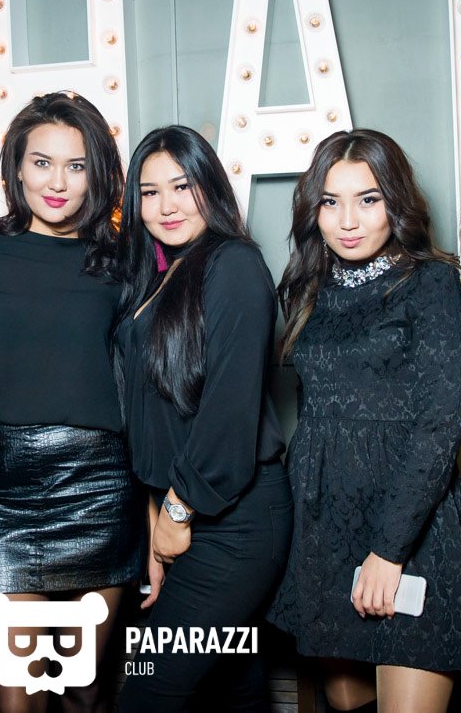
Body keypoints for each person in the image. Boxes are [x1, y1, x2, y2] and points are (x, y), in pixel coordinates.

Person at [0, 92, 142, 713]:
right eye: (42, 163)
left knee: (82, 692)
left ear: (97, 173)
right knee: (15, 698)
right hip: (0, 487)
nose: (58, 183)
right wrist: (0, 392)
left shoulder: (122, 258)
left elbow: (141, 375)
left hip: (99, 483)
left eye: (76, 166)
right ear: (16, 167)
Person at [267, 129, 461, 712]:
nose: (348, 221)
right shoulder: (308, 287)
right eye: (330, 202)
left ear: (396, 202)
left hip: (409, 525)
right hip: (322, 524)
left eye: (369, 199)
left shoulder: (431, 283)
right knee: (343, 699)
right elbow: (313, 414)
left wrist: (389, 550)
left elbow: (439, 426)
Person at [112, 125, 293, 712]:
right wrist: (156, 523)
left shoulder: (233, 263)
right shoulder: (161, 275)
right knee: (232, 692)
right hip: (182, 511)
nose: (166, 205)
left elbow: (228, 410)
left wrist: (176, 512)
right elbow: (152, 419)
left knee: (146, 692)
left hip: (234, 520)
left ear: (209, 187)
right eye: (149, 192)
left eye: (181, 186)